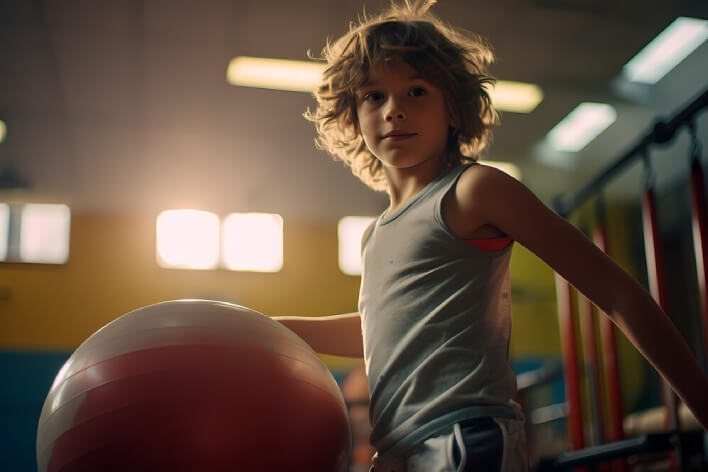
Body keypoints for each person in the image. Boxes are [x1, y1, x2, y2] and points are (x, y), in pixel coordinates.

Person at [274, 1, 708, 470]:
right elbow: (382, 332)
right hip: (399, 451)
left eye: (416, 91)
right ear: (353, 115)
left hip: (463, 440)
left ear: (454, 112)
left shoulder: (474, 190)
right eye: (374, 96)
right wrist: (272, 328)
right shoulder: (375, 235)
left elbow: (616, 291)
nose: (394, 110)